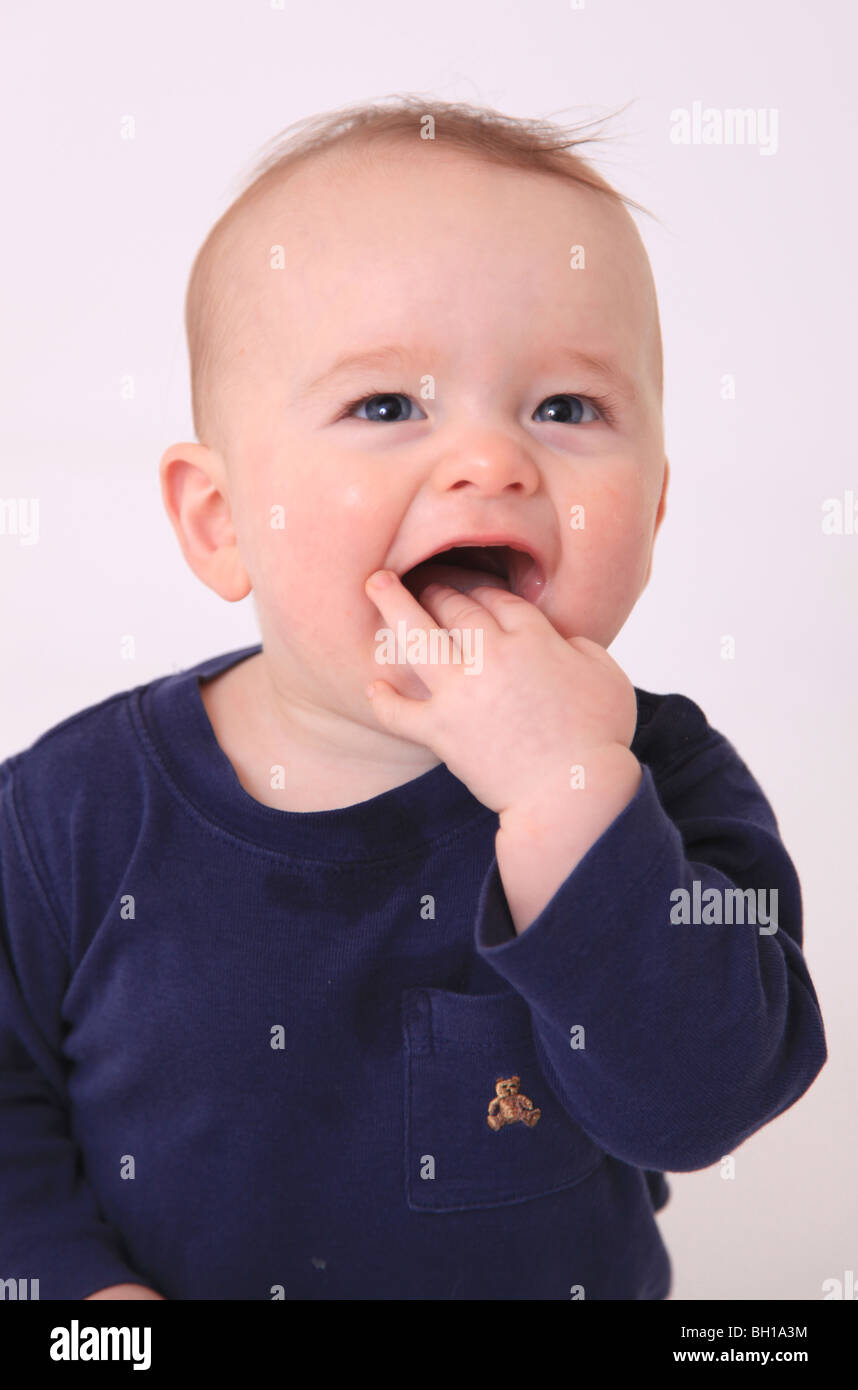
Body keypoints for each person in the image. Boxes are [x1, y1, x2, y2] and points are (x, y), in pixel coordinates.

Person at [0, 96, 827, 1300]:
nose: (493, 462)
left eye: (566, 408)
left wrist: (564, 793)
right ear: (222, 521)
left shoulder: (663, 784)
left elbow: (699, 1103)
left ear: (651, 511)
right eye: (387, 406)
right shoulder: (64, 817)